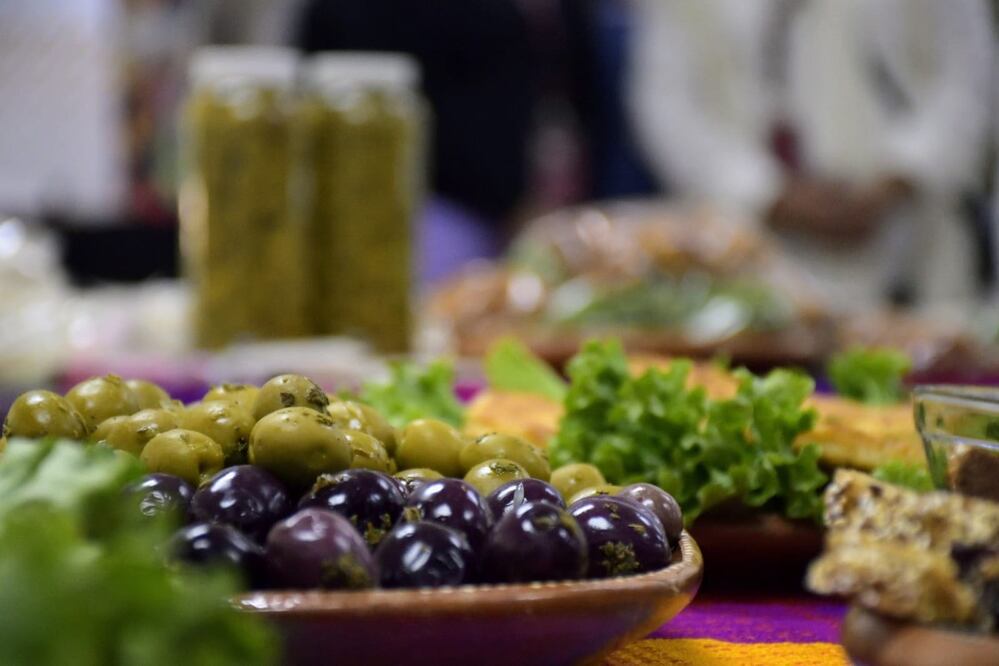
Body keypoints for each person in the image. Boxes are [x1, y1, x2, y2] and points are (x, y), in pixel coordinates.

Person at [627, 0, 996, 311]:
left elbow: (971, 76)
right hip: (756, 259)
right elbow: (668, 104)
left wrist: (898, 177)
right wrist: (766, 192)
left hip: (915, 249)